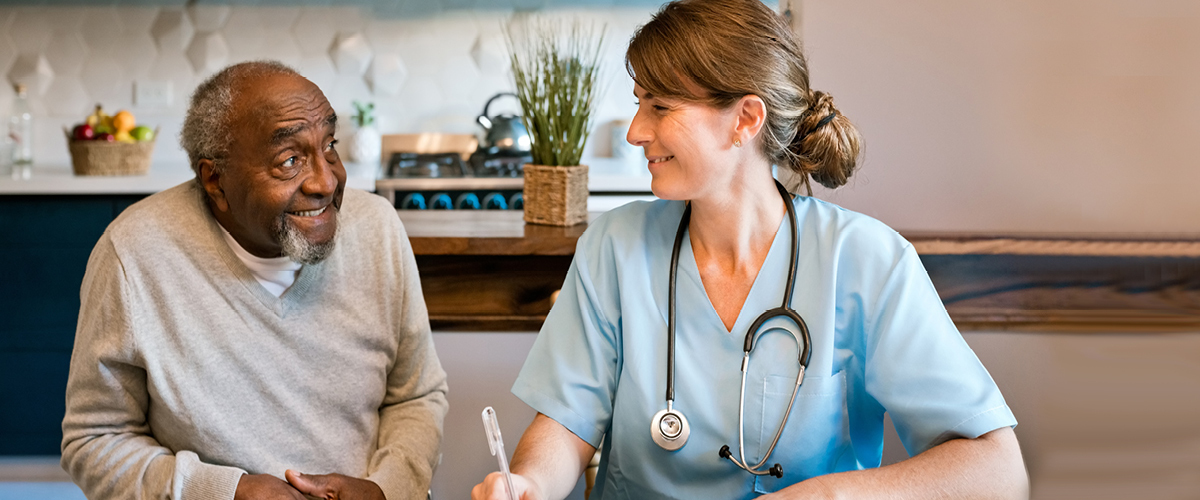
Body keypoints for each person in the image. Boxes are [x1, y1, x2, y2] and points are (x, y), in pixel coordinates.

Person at [472, 1, 1027, 499]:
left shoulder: (866, 261)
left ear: (745, 119)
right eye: (639, 102)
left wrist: (831, 497)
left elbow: (999, 472)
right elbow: (566, 423)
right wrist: (529, 483)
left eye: (660, 106)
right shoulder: (614, 248)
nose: (635, 131)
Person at [61, 61, 448, 500]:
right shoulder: (133, 254)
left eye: (330, 146)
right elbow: (94, 440)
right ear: (215, 180)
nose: (326, 180)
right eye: (290, 160)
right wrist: (224, 492)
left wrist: (386, 490)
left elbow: (415, 397)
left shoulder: (377, 229)